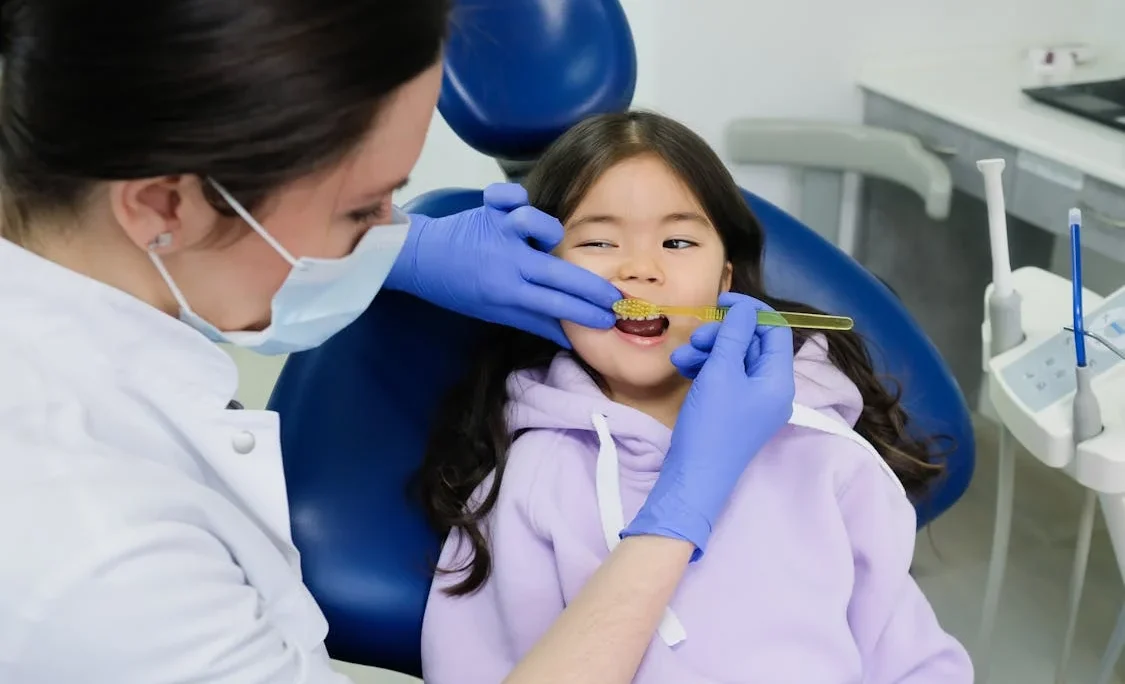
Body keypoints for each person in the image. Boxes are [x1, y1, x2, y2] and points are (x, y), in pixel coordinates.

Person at [0, 3, 797, 683]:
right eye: (364, 210)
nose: (390, 235)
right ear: (163, 206)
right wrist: (680, 509)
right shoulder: (100, 557)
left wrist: (411, 251)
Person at [418, 111, 975, 683]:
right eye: (599, 240)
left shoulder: (821, 450)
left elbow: (910, 657)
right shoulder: (530, 483)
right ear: (539, 278)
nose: (641, 270)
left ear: (725, 282)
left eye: (678, 241)